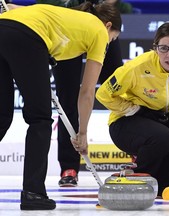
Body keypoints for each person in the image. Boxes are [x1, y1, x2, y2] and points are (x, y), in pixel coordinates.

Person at [0, 2, 121, 210]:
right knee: (40, 119)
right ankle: (33, 192)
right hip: (28, 36)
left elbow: (11, 9)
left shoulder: (70, 17)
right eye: (113, 38)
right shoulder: (99, 32)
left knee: (1, 117)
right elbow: (87, 92)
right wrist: (82, 133)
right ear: (108, 25)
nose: (110, 43)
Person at [96, 21, 169, 197]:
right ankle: (139, 178)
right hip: (126, 122)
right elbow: (103, 94)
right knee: (161, 136)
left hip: (162, 118)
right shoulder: (137, 67)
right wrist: (136, 110)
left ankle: (166, 184)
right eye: (164, 48)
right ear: (155, 48)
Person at [35, 0, 126, 187]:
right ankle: (69, 167)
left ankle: (139, 153)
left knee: (120, 89)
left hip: (102, 18)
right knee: (67, 98)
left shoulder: (107, 29)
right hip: (68, 29)